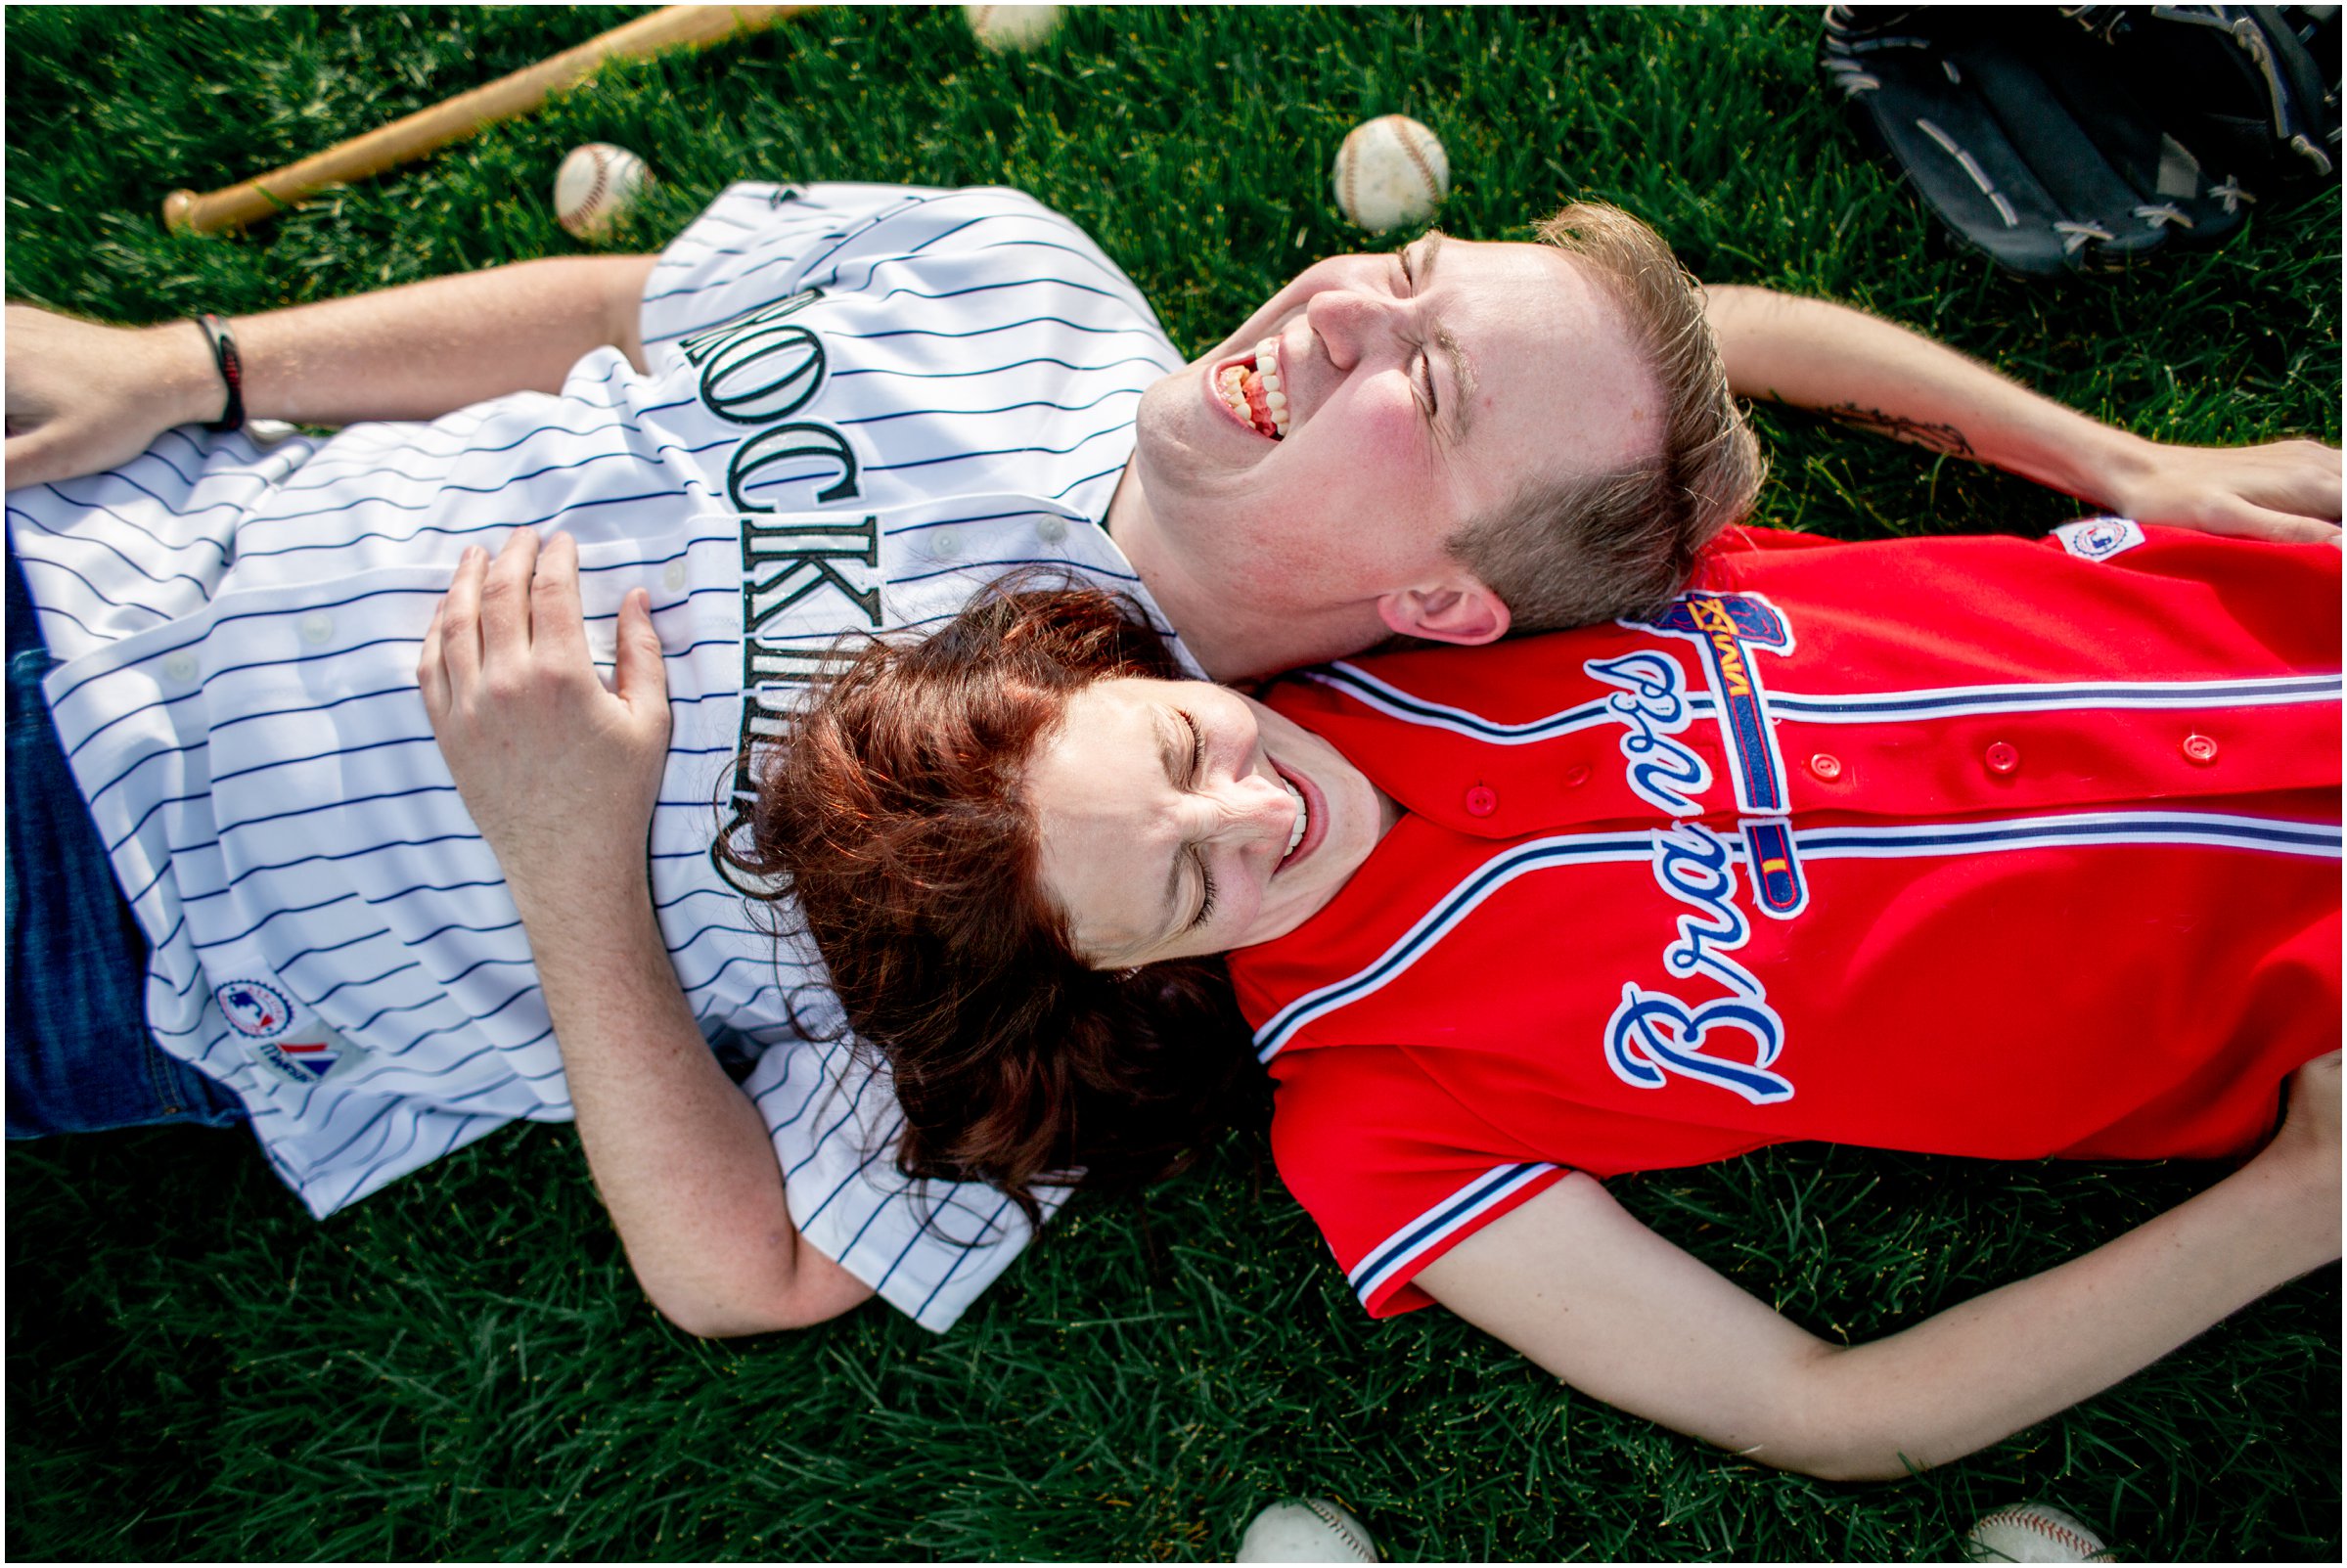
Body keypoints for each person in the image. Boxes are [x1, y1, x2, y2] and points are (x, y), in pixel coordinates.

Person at [6, 180, 2338, 1339]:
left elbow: (757, 1268)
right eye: (1405, 281)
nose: (1334, 311)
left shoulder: (1148, 870)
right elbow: (630, 306)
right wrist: (192, 365)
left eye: (1405, 391)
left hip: (120, 933)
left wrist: (568, 860)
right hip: (104, 533)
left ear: (1442, 605)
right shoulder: (1023, 270)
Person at [733, 523, 2341, 1480]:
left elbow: (1689, 335)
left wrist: (2127, 466)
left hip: (2281, 612)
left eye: (1176, 748)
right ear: (1129, 980)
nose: (1254, 816)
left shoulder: (1385, 616)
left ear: (1128, 666)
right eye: (1179, 888)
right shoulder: (1373, 1117)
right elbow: (1824, 1408)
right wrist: (2300, 1199)